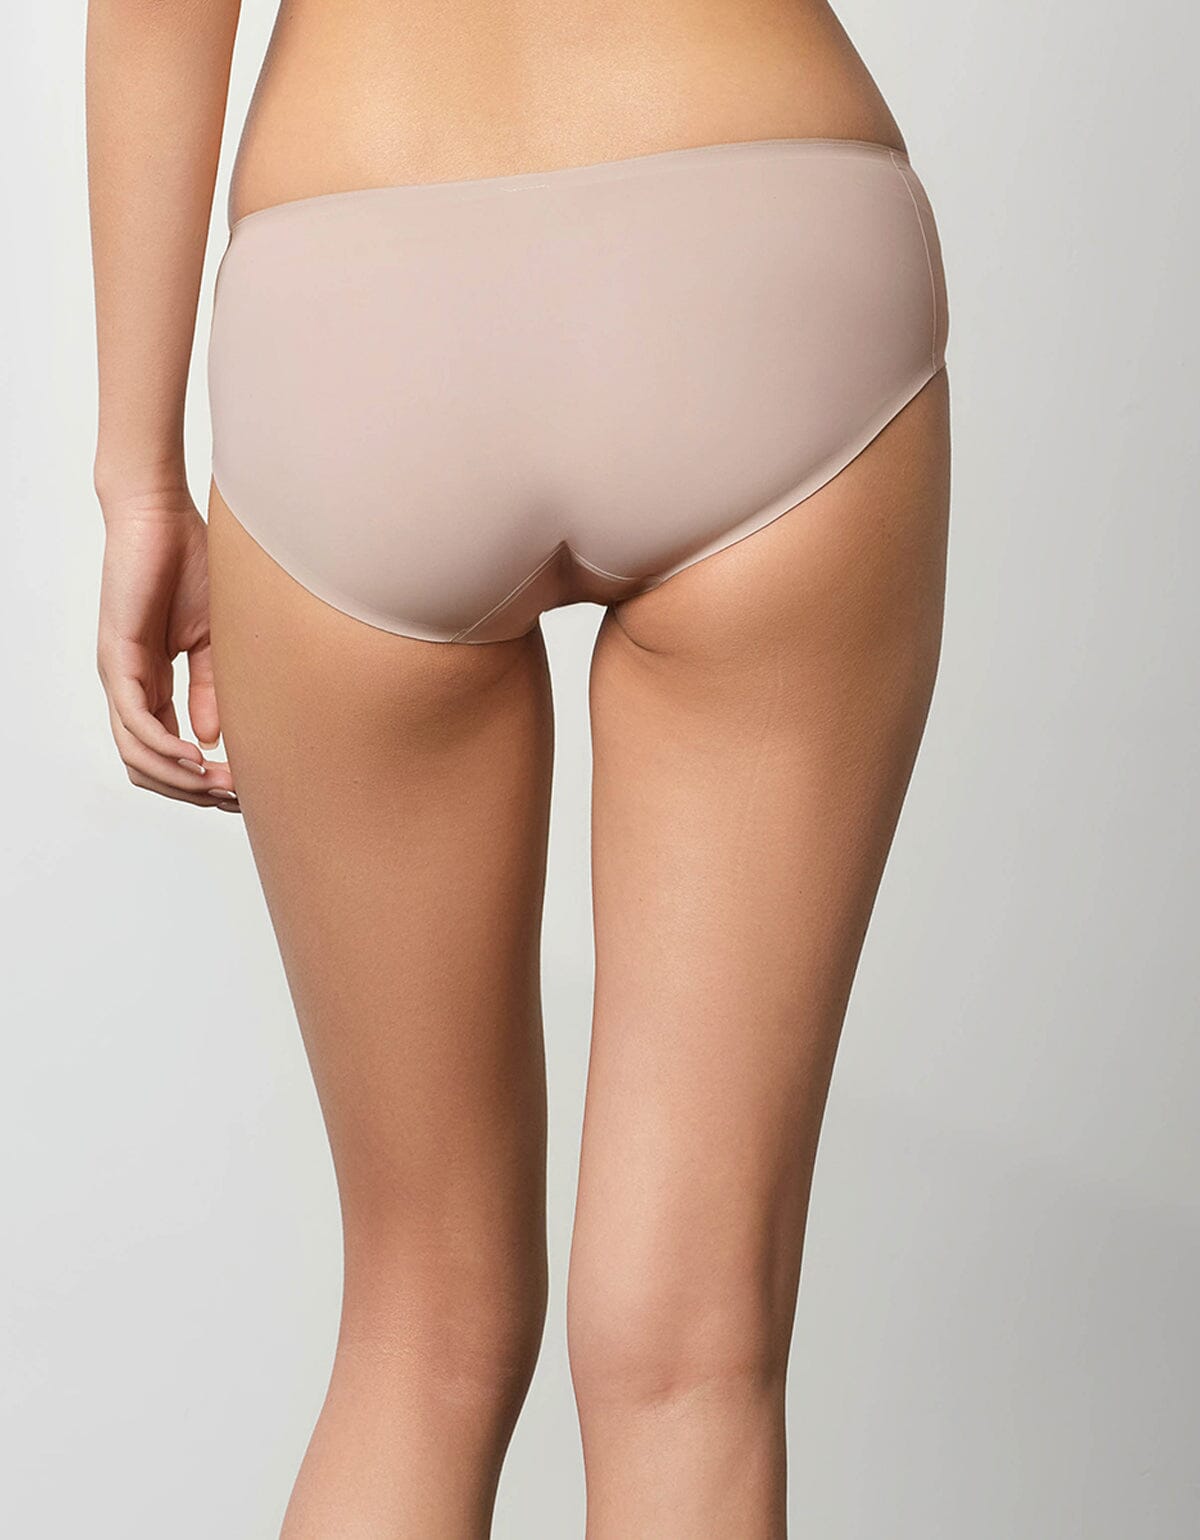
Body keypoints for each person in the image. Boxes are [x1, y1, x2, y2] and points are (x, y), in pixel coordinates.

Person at [86, 0, 951, 1533]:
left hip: (358, 288)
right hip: (752, 234)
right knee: (693, 1358)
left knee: (417, 1333)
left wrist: (140, 476)